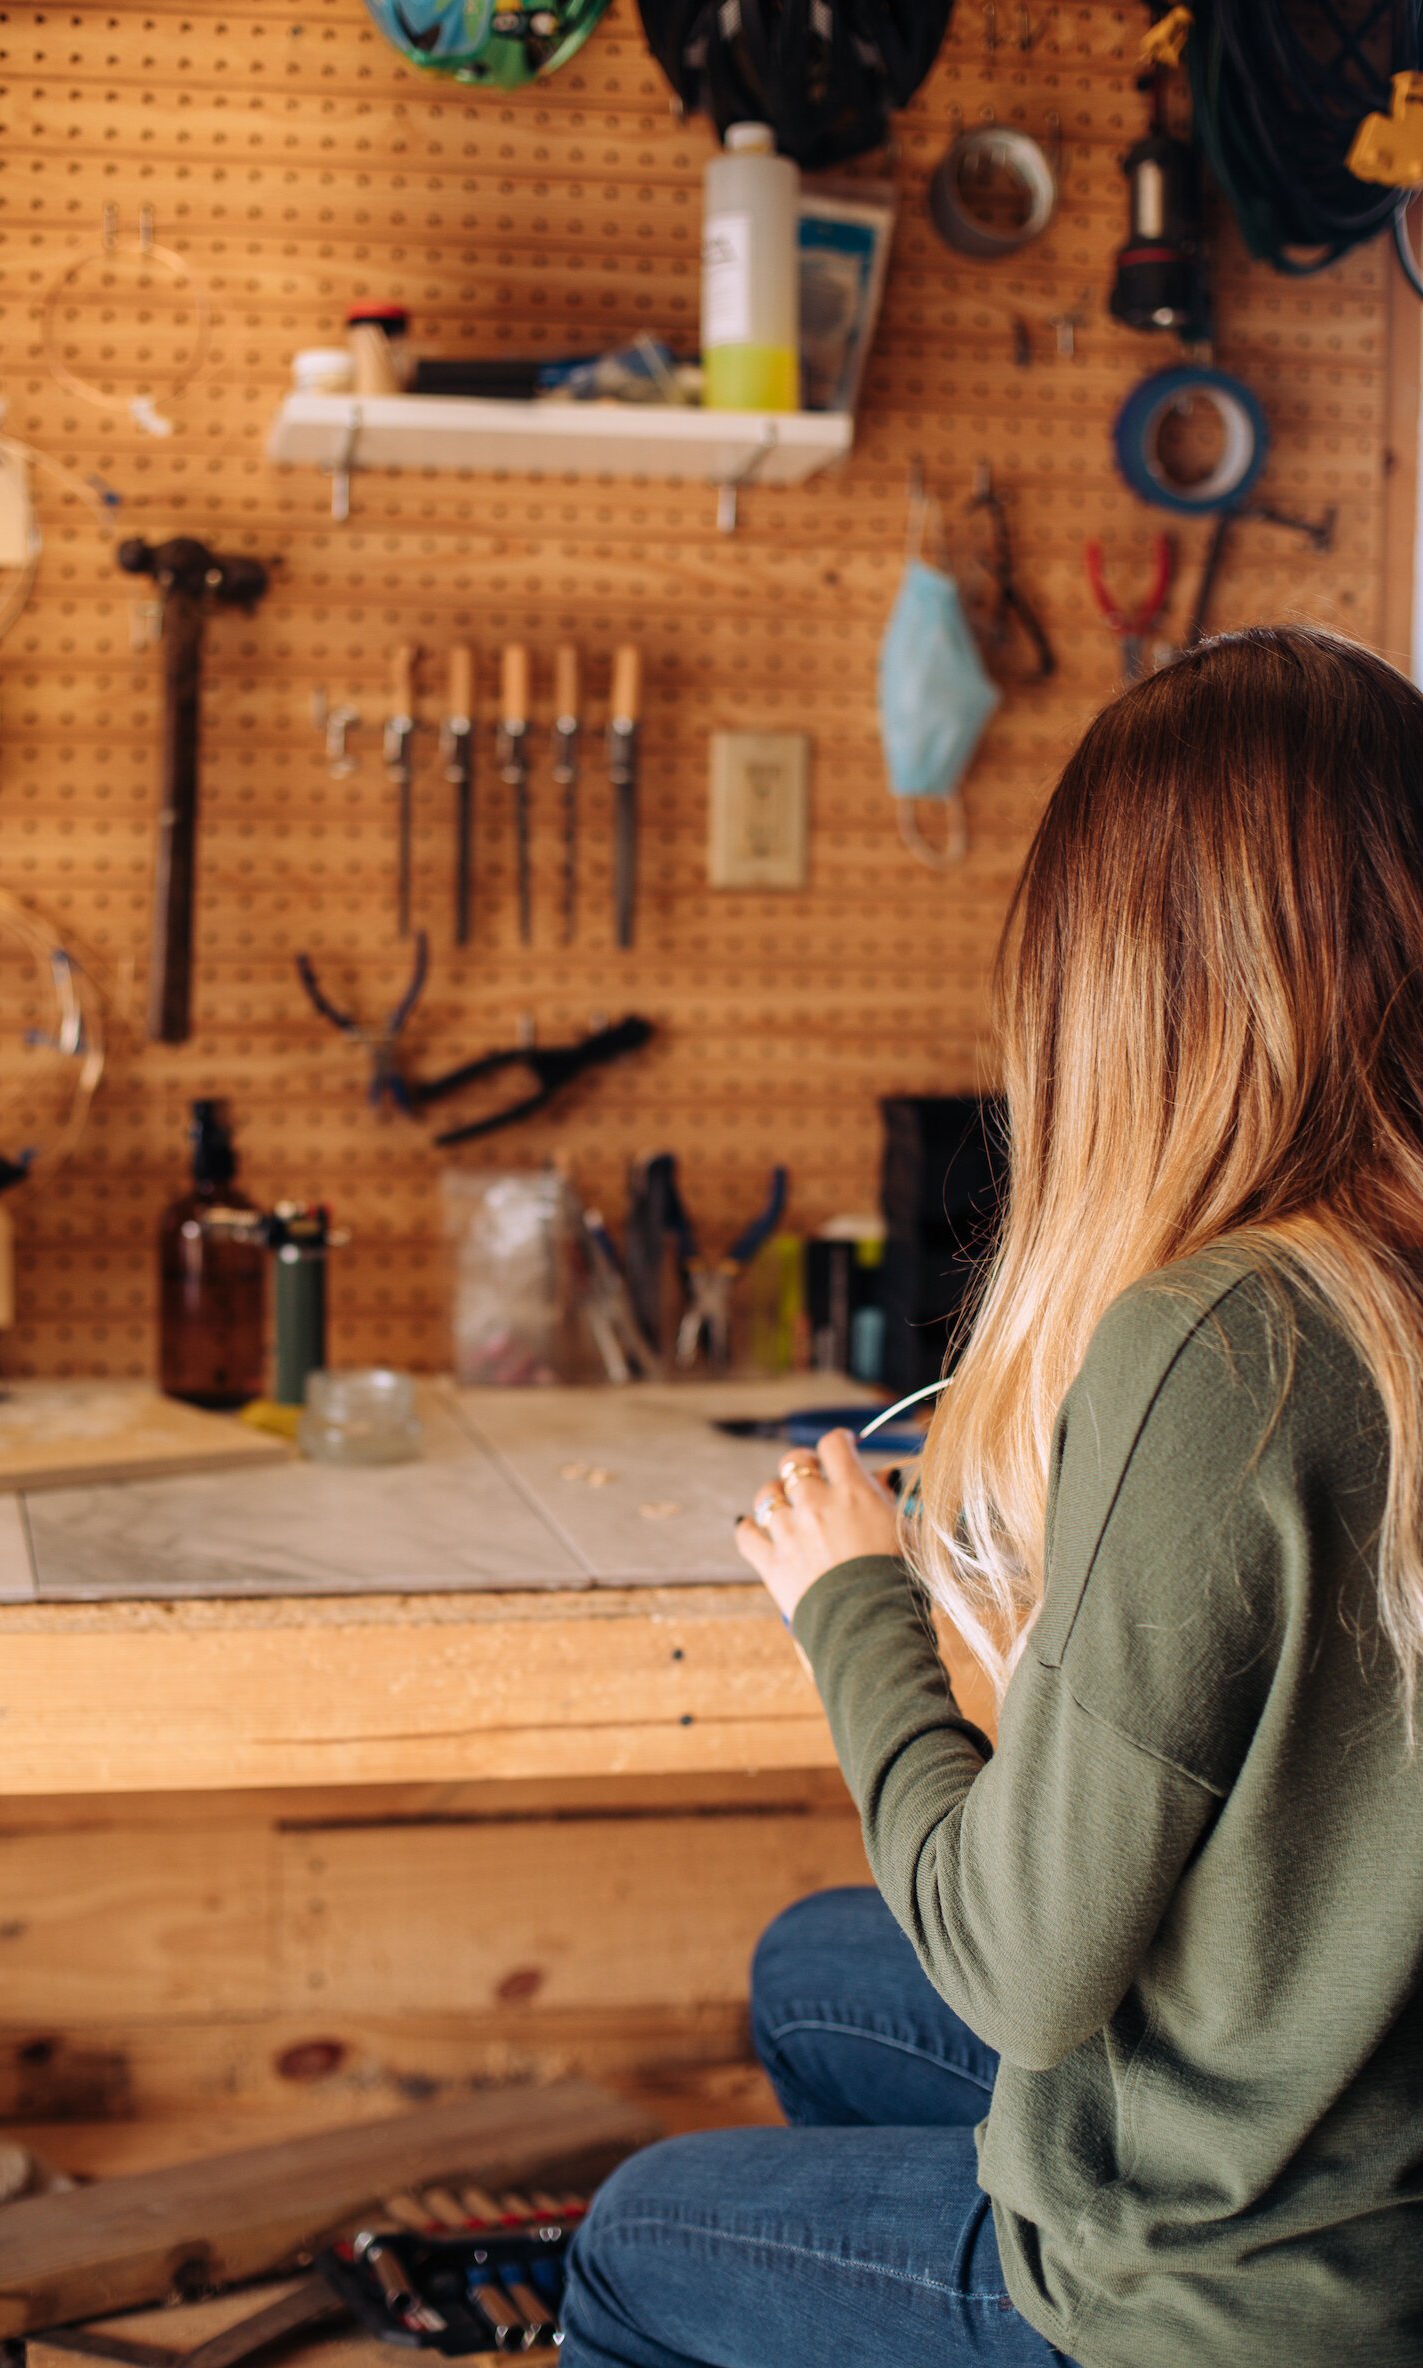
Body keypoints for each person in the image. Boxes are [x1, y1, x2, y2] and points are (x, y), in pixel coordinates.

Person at [559, 627, 1423, 2368]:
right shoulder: (1378, 1298)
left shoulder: (1226, 1341)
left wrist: (849, 1603)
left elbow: (1019, 1967)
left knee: (634, 2236)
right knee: (814, 1971)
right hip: (1355, 2143)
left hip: (1234, 2296)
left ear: (1125, 982)